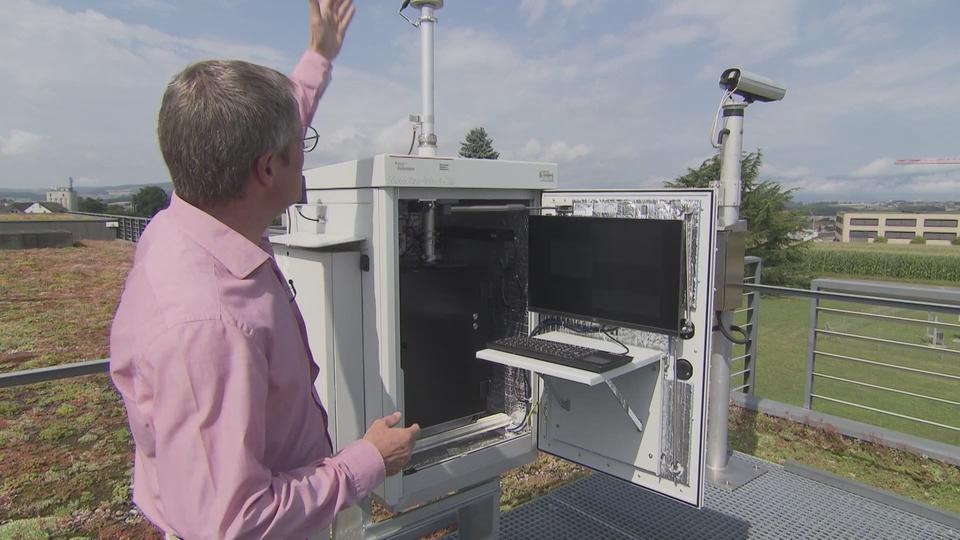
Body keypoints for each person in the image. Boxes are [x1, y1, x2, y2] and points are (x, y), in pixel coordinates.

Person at [109, 1, 420, 538]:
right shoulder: (209, 327)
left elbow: (277, 120)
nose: (306, 159)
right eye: (301, 148)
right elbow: (232, 523)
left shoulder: (191, 215)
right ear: (267, 167)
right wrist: (367, 461)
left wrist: (320, 55)